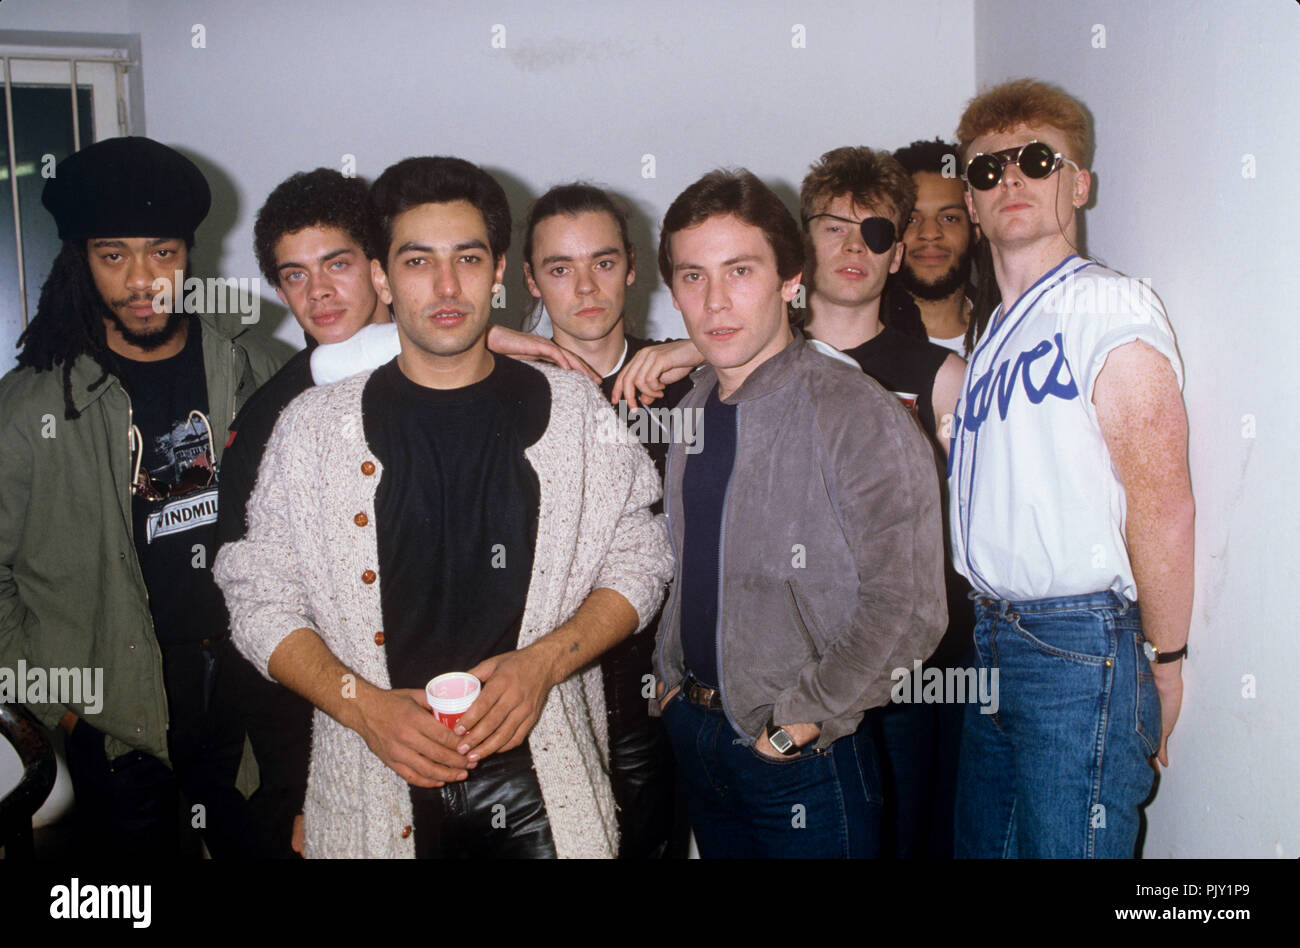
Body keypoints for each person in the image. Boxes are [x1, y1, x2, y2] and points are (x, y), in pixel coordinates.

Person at [214, 156, 673, 858]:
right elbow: (256, 596)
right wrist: (361, 706)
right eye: (418, 261)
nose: (447, 286)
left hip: (544, 789)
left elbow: (641, 556)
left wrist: (544, 664)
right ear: (382, 278)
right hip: (375, 781)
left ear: (499, 272)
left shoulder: (575, 412)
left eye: (468, 258)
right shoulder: (311, 428)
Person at [0, 136, 284, 858]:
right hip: (114, 712)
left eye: (162, 252)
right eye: (113, 255)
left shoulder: (251, 365)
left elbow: (376, 378)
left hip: (249, 684)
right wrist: (63, 700)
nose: (141, 279)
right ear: (81, 262)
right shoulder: (30, 407)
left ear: (188, 255)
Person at [651, 168, 946, 858]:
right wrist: (669, 678)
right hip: (700, 736)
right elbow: (689, 566)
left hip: (804, 758)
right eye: (693, 276)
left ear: (790, 280)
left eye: (740, 271)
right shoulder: (691, 409)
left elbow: (909, 607)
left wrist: (800, 721)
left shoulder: (855, 410)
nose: (716, 300)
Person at [949, 78, 1194, 858]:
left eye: (1037, 160)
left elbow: (1162, 499)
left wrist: (1166, 658)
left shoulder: (1108, 305)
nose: (1011, 179)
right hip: (993, 639)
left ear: (1079, 184)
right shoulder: (993, 335)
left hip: (1078, 647)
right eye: (988, 169)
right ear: (971, 200)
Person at [521, 182, 689, 858]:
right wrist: (488, 338)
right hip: (545, 684)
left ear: (632, 267)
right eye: (560, 268)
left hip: (669, 682)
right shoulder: (500, 386)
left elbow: (813, 355)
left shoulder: (687, 379)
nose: (586, 287)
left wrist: (700, 349)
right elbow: (360, 355)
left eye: (603, 262)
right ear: (530, 280)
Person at [893, 138, 979, 356]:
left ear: (976, 229)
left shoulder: (1014, 329)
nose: (930, 233)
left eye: (949, 218)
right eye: (911, 220)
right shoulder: (859, 342)